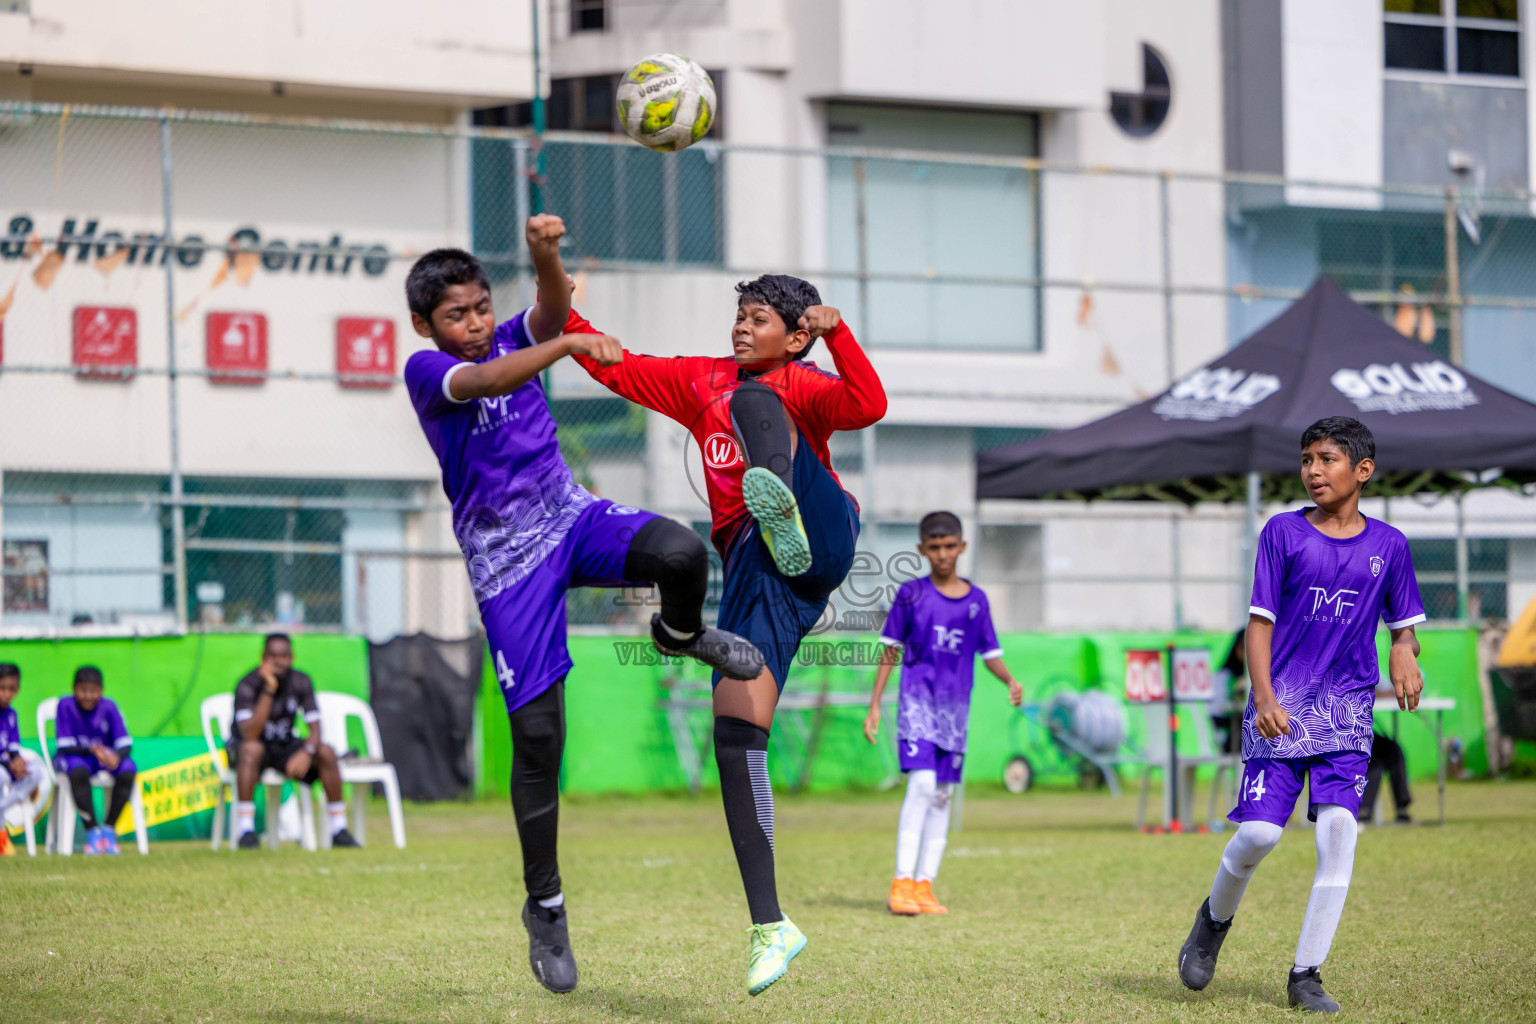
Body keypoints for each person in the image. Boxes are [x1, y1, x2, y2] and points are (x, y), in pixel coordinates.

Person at [401, 215, 760, 996]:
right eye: (456, 314)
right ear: (425, 325)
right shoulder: (429, 373)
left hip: (569, 518)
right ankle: (547, 905)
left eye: (481, 307)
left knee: (680, 552)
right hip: (505, 565)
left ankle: (679, 632)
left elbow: (554, 311)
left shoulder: (514, 335)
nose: (474, 323)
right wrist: (563, 347)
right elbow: (500, 376)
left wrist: (544, 256)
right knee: (538, 737)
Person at [567, 272, 886, 994]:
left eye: (760, 319)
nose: (742, 328)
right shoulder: (698, 381)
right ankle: (771, 926)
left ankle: (776, 493)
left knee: (754, 398)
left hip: (822, 532)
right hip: (758, 570)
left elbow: (869, 404)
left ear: (795, 336)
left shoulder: (799, 381)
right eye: (738, 316)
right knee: (736, 737)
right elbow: (613, 364)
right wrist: (563, 314)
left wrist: (839, 335)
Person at [1177, 416, 1426, 1014]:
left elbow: (1405, 629)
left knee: (1339, 832)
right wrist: (1262, 697)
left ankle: (1306, 974)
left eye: (1327, 459)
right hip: (1279, 709)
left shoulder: (1389, 546)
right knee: (1259, 834)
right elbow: (1257, 625)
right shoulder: (1283, 533)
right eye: (1307, 459)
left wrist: (1401, 650)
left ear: (1362, 470)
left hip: (1346, 714)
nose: (1313, 470)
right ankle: (1212, 922)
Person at [862, 512, 1022, 916]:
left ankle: (924, 886)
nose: (943, 554)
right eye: (934, 547)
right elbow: (890, 650)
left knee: (941, 795)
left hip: (955, 712)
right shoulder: (911, 594)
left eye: (950, 546)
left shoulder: (976, 600)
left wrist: (1010, 681)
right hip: (917, 705)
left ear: (962, 547)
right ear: (922, 550)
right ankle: (901, 882)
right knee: (920, 785)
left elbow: (991, 655)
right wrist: (875, 704)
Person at [228, 633, 361, 851]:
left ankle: (339, 829)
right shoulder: (247, 684)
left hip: (283, 747)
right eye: (272, 656)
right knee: (252, 749)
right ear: (263, 657)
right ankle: (246, 831)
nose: (278, 661)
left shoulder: (301, 681)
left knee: (326, 752)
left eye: (283, 656)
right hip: (249, 752)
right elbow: (250, 734)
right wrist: (269, 689)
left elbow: (316, 729)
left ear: (292, 658)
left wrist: (306, 752)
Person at [52, 665, 137, 855]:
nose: (88, 696)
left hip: (101, 760)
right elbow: (63, 745)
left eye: (93, 691)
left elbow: (125, 744)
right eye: (83, 690)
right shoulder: (65, 705)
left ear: (101, 691)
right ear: (74, 689)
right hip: (73, 757)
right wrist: (91, 749)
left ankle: (108, 829)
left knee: (128, 767)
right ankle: (91, 831)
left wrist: (116, 756)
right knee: (77, 770)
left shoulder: (109, 706)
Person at [0, 663, 45, 856]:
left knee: (36, 772)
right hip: (2, 767)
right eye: (2, 688)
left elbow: (13, 748)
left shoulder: (11, 715)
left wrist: (18, 762)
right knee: (1, 776)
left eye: (12, 689)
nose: (7, 694)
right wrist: (8, 763)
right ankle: (2, 836)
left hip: (7, 763)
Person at [1360, 728, 1413, 825]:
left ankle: (1402, 806)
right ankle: (1364, 809)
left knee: (1394, 750)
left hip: (1365, 729)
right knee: (1374, 764)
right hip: (1346, 733)